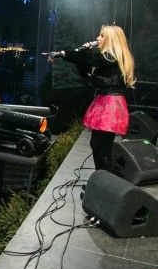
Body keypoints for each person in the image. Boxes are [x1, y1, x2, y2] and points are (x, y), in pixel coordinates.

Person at [47, 24, 136, 170]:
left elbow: (89, 59)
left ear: (111, 39)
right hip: (105, 101)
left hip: (110, 104)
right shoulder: (107, 58)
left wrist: (62, 54)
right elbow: (86, 69)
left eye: (102, 35)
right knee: (97, 144)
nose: (97, 38)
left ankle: (104, 178)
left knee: (102, 146)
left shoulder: (111, 57)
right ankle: (101, 177)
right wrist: (81, 54)